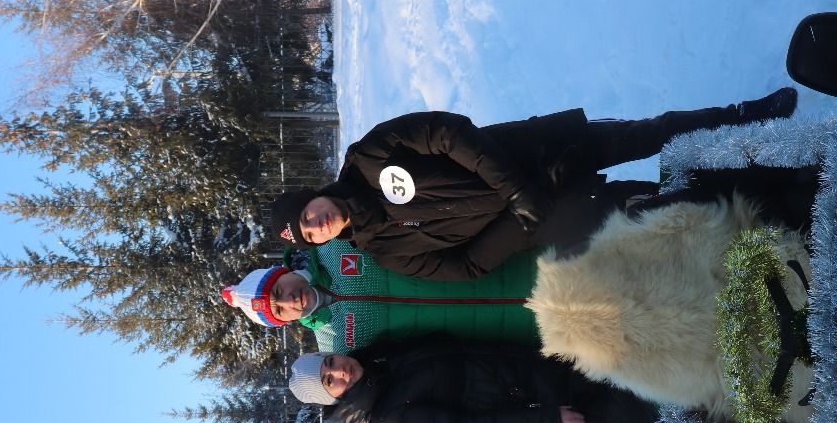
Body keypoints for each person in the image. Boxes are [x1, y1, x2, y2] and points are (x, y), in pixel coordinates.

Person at [268, 89, 798, 281]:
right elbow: (464, 267)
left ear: (313, 196)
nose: (317, 225)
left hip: (538, 151)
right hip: (547, 214)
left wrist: (516, 188)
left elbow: (447, 133)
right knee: (651, 204)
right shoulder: (386, 249)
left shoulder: (367, 157)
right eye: (312, 235)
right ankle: (769, 188)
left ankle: (745, 116)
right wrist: (520, 219)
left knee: (651, 134)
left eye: (308, 215)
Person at [286, 336, 673, 423]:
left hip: (543, 370)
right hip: (551, 412)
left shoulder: (383, 361)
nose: (339, 371)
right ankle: (727, 421)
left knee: (658, 369)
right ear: (331, 398)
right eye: (329, 381)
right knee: (656, 415)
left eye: (330, 362)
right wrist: (550, 422)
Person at [220, 236, 540, 353]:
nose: (289, 300)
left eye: (279, 290)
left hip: (504, 263)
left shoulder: (334, 247)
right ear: (285, 322)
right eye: (280, 309)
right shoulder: (336, 345)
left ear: (283, 272)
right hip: (503, 330)